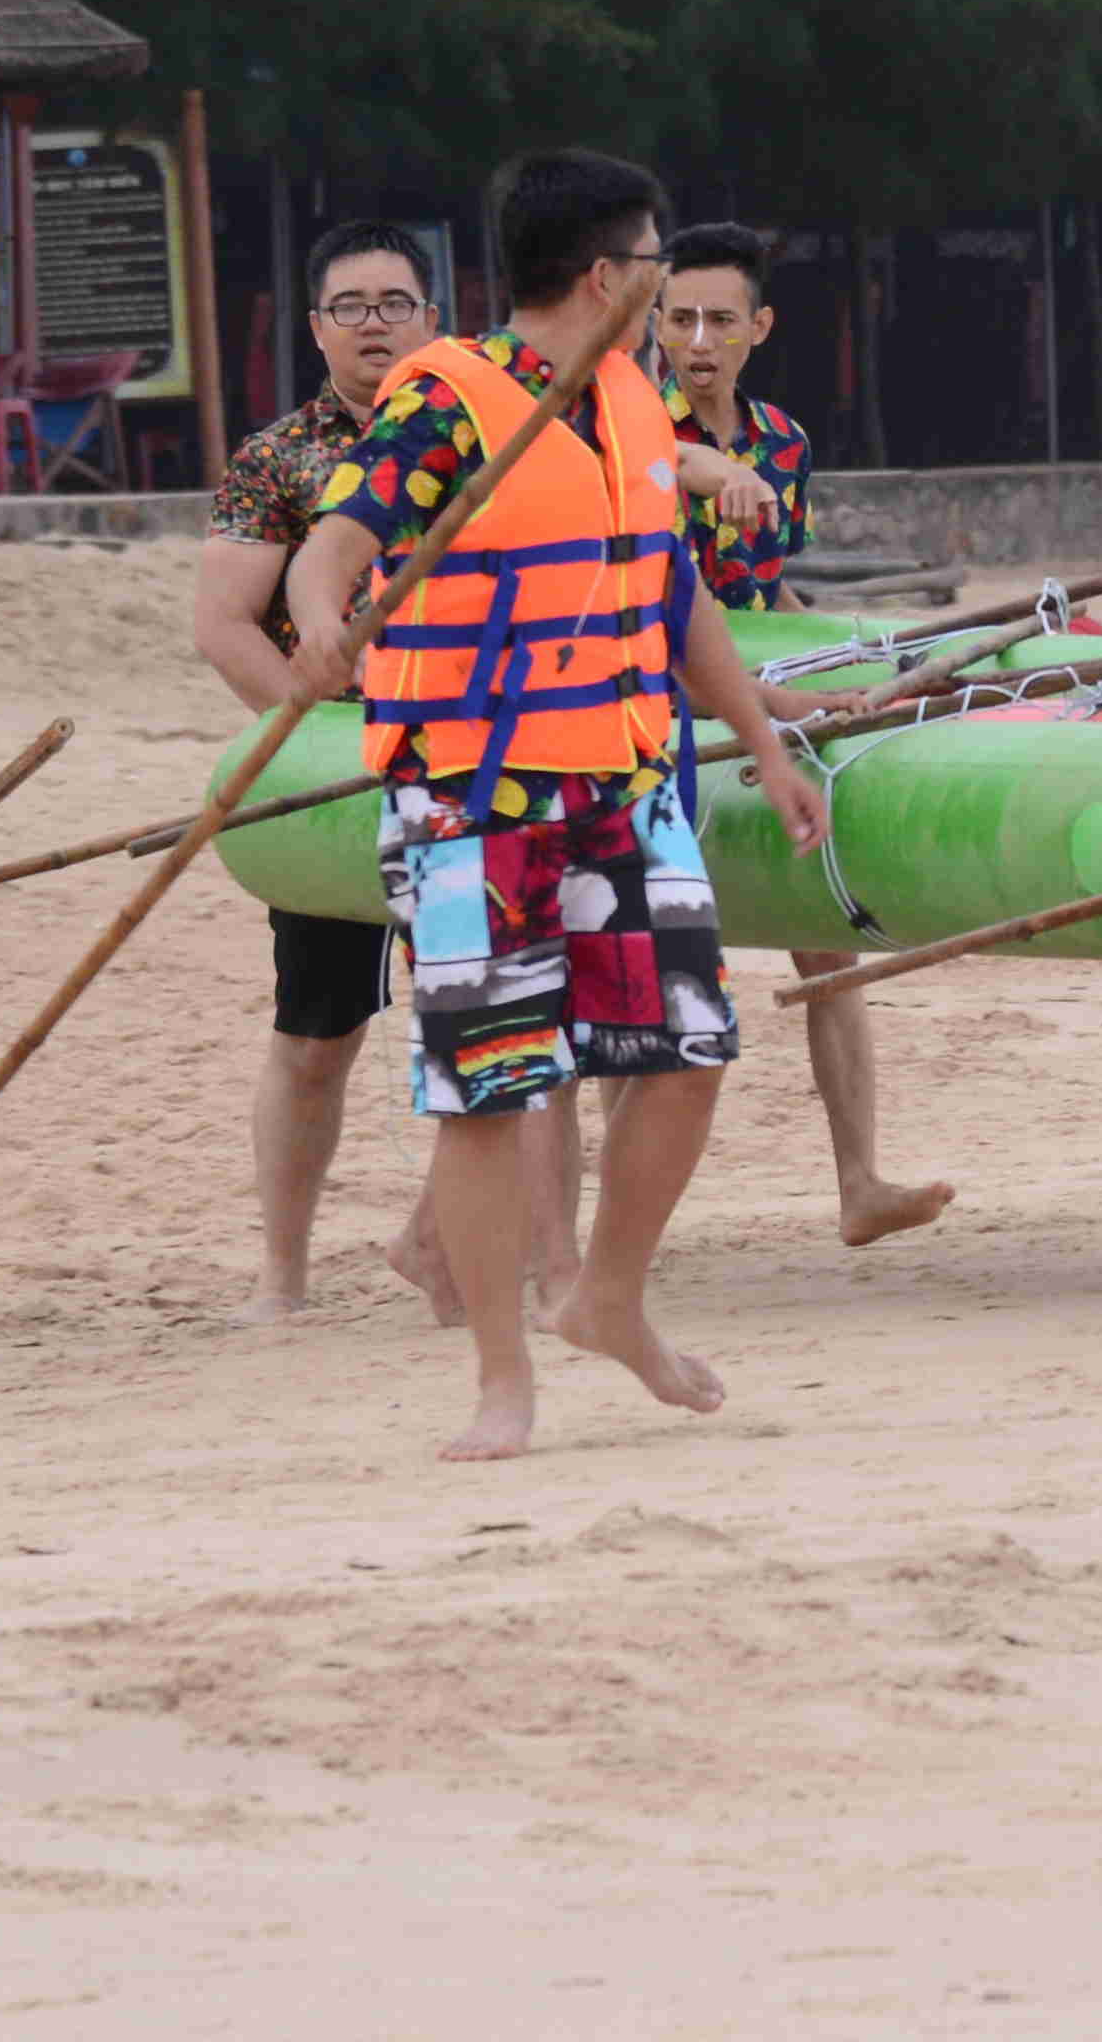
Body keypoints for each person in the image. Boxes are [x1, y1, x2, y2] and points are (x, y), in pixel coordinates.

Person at [281, 152, 834, 1460]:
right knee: (487, 1091)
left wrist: (765, 744)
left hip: (620, 785)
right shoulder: (447, 402)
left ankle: (609, 1296)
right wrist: (320, 624)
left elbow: (674, 599)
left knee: (688, 1052)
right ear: (604, 275)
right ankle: (500, 1377)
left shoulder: (634, 403)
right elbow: (332, 547)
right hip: (471, 804)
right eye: (653, 264)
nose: (664, 288)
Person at [197, 218, 531, 1325]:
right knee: (315, 1036)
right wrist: (324, 734)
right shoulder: (277, 459)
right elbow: (224, 623)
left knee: (490, 1016)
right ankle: (281, 1276)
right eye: (351, 306)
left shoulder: (485, 431)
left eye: (395, 303)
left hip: (475, 770)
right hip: (335, 783)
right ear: (315, 328)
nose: (374, 323)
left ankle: (443, 1245)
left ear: (434, 317)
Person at [654, 220, 949, 1249]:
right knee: (649, 971)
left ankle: (860, 1181)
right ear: (653, 324)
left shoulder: (783, 442)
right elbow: (651, 614)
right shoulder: (624, 434)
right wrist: (766, 707)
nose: (699, 341)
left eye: (720, 320)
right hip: (659, 713)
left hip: (760, 708)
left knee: (830, 947)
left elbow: (766, 593)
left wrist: (833, 673)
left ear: (759, 327)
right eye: (679, 319)